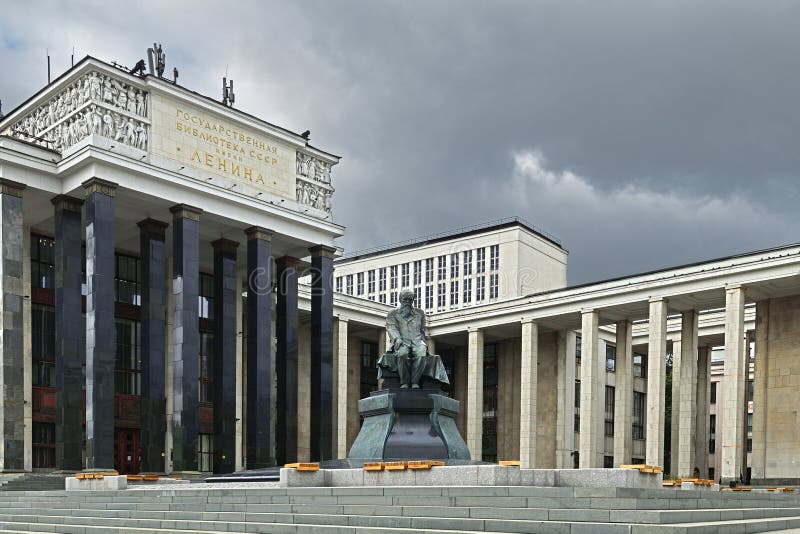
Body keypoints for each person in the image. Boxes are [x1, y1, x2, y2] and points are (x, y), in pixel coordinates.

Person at [378, 289, 449, 388]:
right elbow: (391, 328)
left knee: (421, 353)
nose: (407, 302)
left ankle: (415, 382)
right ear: (400, 300)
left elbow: (422, 330)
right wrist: (397, 339)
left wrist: (423, 342)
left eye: (410, 300)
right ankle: (405, 382)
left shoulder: (420, 313)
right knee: (403, 354)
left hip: (417, 342)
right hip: (402, 342)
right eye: (405, 299)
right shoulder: (393, 313)